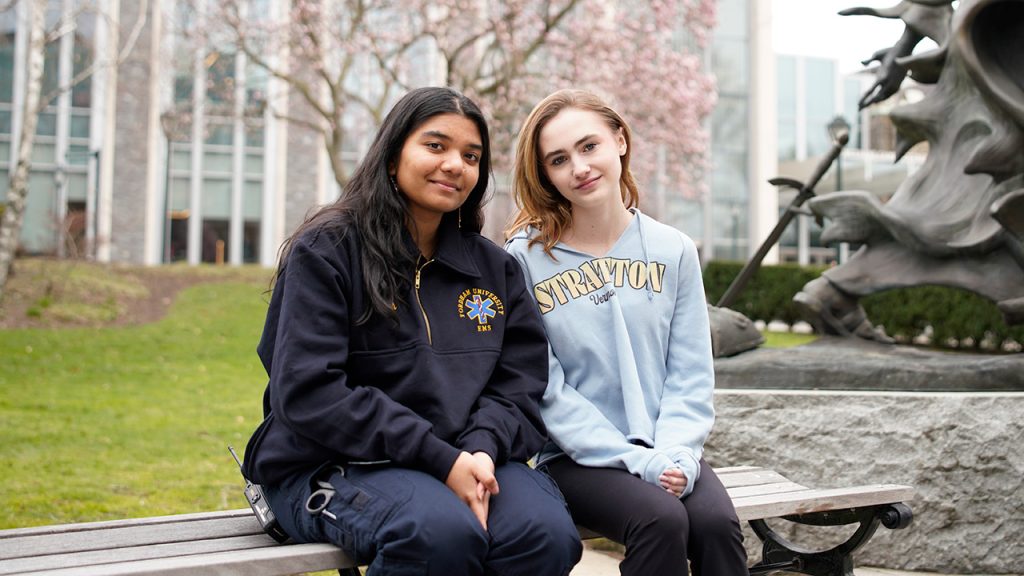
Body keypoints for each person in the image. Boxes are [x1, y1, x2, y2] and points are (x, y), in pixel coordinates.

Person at [242, 86, 582, 576]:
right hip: (328, 461)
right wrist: (440, 459)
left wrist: (481, 450)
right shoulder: (327, 250)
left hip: (467, 456)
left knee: (543, 535)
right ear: (393, 153)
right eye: (435, 146)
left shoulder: (492, 268)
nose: (454, 165)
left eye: (471, 156)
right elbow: (309, 391)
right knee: (436, 535)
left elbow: (520, 385)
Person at [505, 89, 748, 576]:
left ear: (619, 140)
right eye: (559, 159)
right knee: (659, 518)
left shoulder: (673, 249)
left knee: (717, 524)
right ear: (546, 175)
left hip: (667, 448)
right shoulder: (524, 260)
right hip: (576, 459)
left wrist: (676, 454)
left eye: (588, 145)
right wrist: (635, 462)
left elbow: (690, 372)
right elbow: (547, 389)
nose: (579, 167)